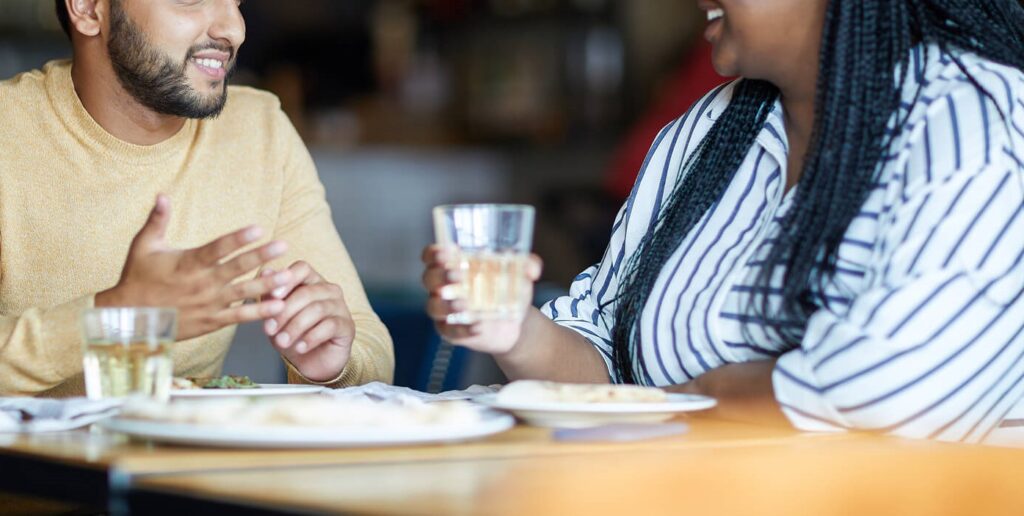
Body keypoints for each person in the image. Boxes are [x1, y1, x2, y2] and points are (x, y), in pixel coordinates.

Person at [423, 0, 1024, 443]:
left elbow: (890, 397)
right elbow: (608, 367)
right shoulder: (712, 130)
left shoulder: (982, 123)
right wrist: (514, 330)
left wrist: (695, 398)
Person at [0, 0, 394, 396]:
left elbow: (368, 343)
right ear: (87, 9)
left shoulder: (258, 130)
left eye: (235, 2)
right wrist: (109, 320)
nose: (234, 29)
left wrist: (333, 363)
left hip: (181, 455)